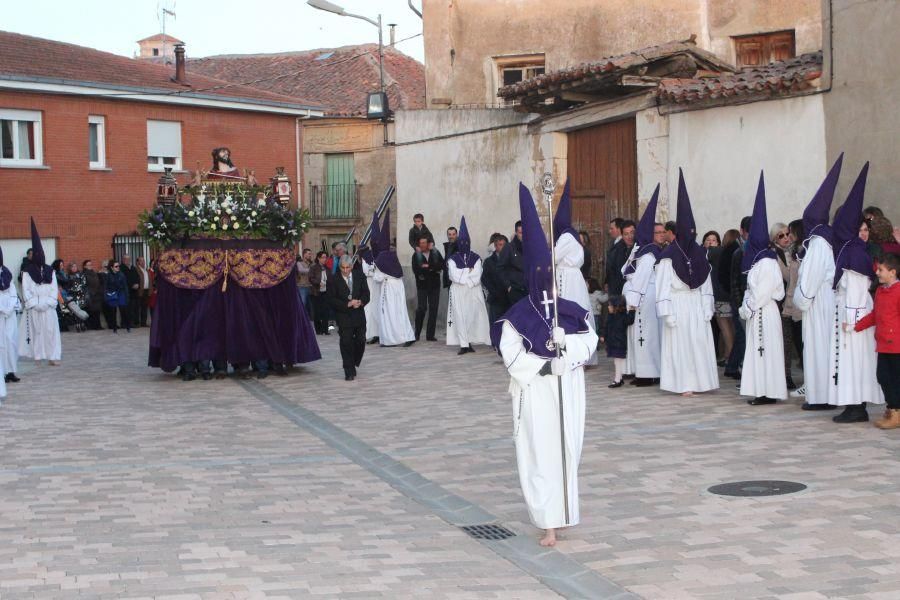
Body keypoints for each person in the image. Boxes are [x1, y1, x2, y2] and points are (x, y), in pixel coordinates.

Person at [493, 183, 598, 548]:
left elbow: (589, 340)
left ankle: (565, 513)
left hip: (567, 387)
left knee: (567, 449)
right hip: (536, 392)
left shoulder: (569, 308)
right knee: (540, 452)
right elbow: (512, 355)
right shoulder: (517, 315)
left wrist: (566, 348)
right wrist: (541, 365)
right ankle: (547, 521)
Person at [827, 163, 884, 422]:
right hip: (851, 313)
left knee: (855, 361)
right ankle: (851, 403)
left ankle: (857, 405)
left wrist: (852, 322)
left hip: (856, 316)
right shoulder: (848, 251)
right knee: (849, 361)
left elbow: (859, 290)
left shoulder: (854, 254)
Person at [655, 171, 718, 397]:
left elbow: (706, 283)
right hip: (679, 306)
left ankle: (701, 382)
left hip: (696, 305)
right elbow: (662, 286)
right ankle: (683, 384)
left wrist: (707, 308)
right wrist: (667, 312)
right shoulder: (668, 256)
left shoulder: (700, 254)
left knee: (698, 345)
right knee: (681, 347)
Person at [793, 154, 844, 410]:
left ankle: (821, 396)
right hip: (826, 300)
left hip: (818, 303)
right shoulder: (828, 239)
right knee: (824, 347)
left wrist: (800, 302)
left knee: (817, 348)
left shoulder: (818, 243)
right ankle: (825, 393)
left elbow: (809, 281)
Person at [737, 173, 787, 406]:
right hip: (759, 311)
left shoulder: (766, 262)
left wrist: (747, 308)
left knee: (764, 350)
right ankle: (762, 389)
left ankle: (768, 391)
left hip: (764, 312)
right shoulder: (760, 262)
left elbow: (762, 293)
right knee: (759, 350)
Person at [622, 185, 663, 387]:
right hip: (641, 294)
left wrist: (632, 301)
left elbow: (639, 278)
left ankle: (649, 373)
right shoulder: (640, 250)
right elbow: (625, 270)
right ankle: (642, 371)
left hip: (644, 297)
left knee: (645, 335)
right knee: (640, 335)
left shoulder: (648, 253)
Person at [854, 253, 900, 428]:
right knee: (883, 377)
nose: (877, 273)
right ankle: (893, 409)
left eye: (881, 270)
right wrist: (856, 326)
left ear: (893, 272)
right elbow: (874, 315)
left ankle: (895, 411)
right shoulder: (881, 291)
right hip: (883, 344)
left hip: (896, 345)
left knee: (895, 379)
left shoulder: (898, 291)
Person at [18, 219, 62, 365]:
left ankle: (53, 356)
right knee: (37, 332)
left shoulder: (50, 271)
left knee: (51, 332)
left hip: (48, 307)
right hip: (35, 307)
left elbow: (54, 289)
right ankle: (38, 356)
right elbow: (26, 291)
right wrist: (36, 304)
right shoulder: (27, 272)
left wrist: (48, 303)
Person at [446, 216, 490, 354]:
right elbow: (453, 274)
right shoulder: (453, 259)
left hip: (472, 290)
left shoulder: (476, 257)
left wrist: (465, 276)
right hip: (458, 291)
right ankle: (463, 344)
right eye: (462, 242)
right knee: (460, 316)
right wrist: (467, 271)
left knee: (472, 316)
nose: (464, 244)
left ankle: (469, 342)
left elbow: (477, 273)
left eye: (466, 242)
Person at [373, 209, 416, 347]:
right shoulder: (393, 255)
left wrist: (377, 272)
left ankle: (390, 339)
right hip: (398, 286)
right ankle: (407, 336)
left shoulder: (380, 258)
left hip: (388, 288)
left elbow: (377, 278)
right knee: (400, 312)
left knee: (388, 314)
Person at [327, 255, 370, 381]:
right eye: (343, 268)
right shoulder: (333, 279)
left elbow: (366, 293)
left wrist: (361, 302)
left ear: (351, 266)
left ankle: (354, 361)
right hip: (344, 316)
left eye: (348, 268)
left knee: (361, 340)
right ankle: (348, 370)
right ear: (340, 267)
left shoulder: (360, 276)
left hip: (359, 315)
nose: (345, 271)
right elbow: (331, 299)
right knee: (346, 342)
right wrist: (347, 304)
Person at [552, 180, 592, 313]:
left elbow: (554, 257)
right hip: (573, 277)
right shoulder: (572, 235)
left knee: (567, 308)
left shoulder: (566, 237)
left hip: (567, 278)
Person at [771, 222, 798, 390]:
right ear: (775, 239)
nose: (786, 238)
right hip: (782, 304)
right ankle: (785, 375)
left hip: (795, 302)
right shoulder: (776, 255)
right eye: (781, 236)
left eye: (787, 234)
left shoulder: (795, 252)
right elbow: (787, 276)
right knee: (785, 341)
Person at [412, 234, 444, 342]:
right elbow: (417, 270)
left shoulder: (435, 253)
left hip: (434, 285)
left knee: (433, 309)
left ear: (429, 243)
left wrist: (429, 267)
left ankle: (430, 335)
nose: (422, 245)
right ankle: (416, 333)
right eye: (421, 243)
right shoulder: (416, 255)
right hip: (422, 286)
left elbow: (441, 266)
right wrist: (433, 269)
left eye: (424, 243)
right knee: (421, 308)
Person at [0, 245, 20, 385]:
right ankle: (2, 371)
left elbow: (13, 292)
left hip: (10, 314)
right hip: (1, 313)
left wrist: (10, 307)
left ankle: (11, 371)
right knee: (1, 343)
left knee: (11, 341)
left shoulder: (6, 272)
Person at [482, 233, 510, 324]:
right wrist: (494, 291)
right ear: (495, 246)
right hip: (496, 298)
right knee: (496, 324)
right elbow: (485, 279)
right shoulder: (489, 262)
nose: (502, 247)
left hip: (510, 297)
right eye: (500, 245)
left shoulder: (512, 260)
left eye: (504, 245)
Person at [498, 221, 527, 305]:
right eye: (521, 233)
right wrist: (508, 286)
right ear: (516, 233)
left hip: (530, 288)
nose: (523, 235)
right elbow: (500, 268)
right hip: (515, 290)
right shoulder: (509, 247)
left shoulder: (530, 247)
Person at [104, 260, 130, 333]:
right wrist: (106, 296)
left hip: (121, 293)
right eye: (116, 266)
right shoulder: (108, 275)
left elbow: (125, 286)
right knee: (113, 311)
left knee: (123, 310)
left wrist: (127, 296)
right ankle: (114, 328)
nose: (118, 267)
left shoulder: (122, 274)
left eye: (118, 266)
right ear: (112, 267)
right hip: (113, 294)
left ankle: (127, 326)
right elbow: (106, 287)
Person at [308, 251, 330, 335]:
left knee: (325, 311)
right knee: (317, 312)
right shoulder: (314, 267)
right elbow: (310, 278)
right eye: (323, 257)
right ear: (318, 258)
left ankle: (325, 329)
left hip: (325, 292)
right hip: (316, 292)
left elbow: (330, 278)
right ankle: (318, 330)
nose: (324, 259)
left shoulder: (327, 268)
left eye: (325, 257)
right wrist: (318, 282)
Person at [82, 260, 104, 330]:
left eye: (91, 264)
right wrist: (91, 292)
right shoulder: (84, 274)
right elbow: (85, 285)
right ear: (84, 266)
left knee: (97, 311)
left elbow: (98, 282)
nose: (90, 266)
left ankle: (98, 325)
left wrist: (99, 291)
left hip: (97, 294)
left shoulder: (94, 273)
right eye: (88, 265)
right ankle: (92, 326)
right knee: (92, 311)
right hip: (90, 295)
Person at [134, 256, 151, 327]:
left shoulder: (146, 270)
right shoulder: (136, 270)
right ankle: (137, 322)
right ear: (137, 262)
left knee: (145, 307)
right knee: (138, 307)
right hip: (140, 291)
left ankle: (143, 322)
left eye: (144, 261)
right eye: (141, 261)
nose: (143, 262)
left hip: (147, 290)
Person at [297, 248, 313, 316]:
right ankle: (301, 318)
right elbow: (301, 270)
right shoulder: (299, 263)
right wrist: (312, 270)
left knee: (310, 305)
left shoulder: (311, 263)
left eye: (310, 254)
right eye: (309, 254)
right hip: (302, 287)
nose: (310, 255)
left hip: (310, 287)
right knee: (302, 304)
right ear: (304, 254)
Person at [442, 226, 458, 290]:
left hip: (457, 281)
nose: (451, 236)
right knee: (451, 299)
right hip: (449, 279)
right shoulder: (447, 246)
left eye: (453, 234)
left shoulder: (461, 246)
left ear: (456, 235)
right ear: (447, 235)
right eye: (449, 234)